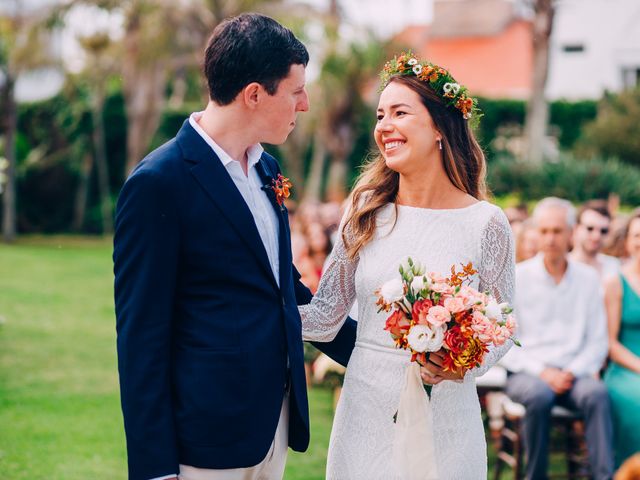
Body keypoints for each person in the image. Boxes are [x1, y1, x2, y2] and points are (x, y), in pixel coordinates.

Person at [113, 13, 356, 480]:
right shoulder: (159, 184)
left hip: (274, 427)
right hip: (203, 439)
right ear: (254, 94)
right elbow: (141, 338)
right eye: (296, 91)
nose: (304, 105)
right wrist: (154, 469)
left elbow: (280, 287)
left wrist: (370, 350)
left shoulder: (268, 170)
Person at [299, 52, 515, 479]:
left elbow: (504, 325)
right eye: (380, 115)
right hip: (367, 410)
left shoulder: (486, 222)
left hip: (447, 416)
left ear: (439, 127)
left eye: (399, 112)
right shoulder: (363, 210)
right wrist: (253, 300)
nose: (384, 127)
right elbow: (325, 318)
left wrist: (461, 363)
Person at [502, 197, 614, 480]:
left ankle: (604, 476)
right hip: (529, 372)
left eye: (557, 231)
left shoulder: (588, 279)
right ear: (536, 234)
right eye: (544, 231)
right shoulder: (518, 277)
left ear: (570, 233)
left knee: (598, 395)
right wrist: (544, 372)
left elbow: (597, 341)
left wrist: (571, 372)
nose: (550, 238)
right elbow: (507, 342)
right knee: (538, 396)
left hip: (574, 373)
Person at [603, 209, 640, 467]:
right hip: (626, 366)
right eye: (638, 235)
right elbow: (610, 343)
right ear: (627, 240)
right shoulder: (615, 282)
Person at [570, 200, 620, 279]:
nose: (596, 236)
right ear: (576, 229)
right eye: (590, 228)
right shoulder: (562, 266)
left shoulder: (614, 267)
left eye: (603, 231)